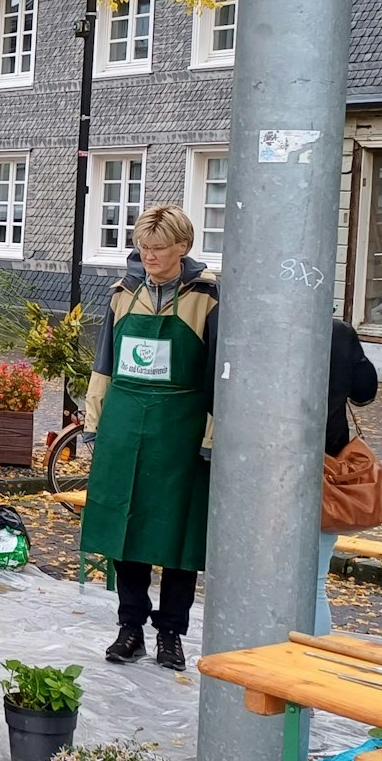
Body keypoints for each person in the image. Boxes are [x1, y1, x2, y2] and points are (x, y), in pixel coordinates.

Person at [82, 206, 219, 672]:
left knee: (177, 536)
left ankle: (171, 634)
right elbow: (104, 362)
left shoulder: (208, 297)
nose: (150, 256)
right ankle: (130, 628)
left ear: (183, 247)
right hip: (125, 423)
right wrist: (94, 421)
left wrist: (211, 435)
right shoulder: (122, 294)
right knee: (128, 531)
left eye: (159, 248)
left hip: (181, 430)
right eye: (144, 247)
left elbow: (219, 373)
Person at [318, 320, 380, 634]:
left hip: (258, 466)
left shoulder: (249, 322)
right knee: (313, 582)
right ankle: (310, 662)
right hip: (327, 469)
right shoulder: (338, 333)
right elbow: (365, 392)